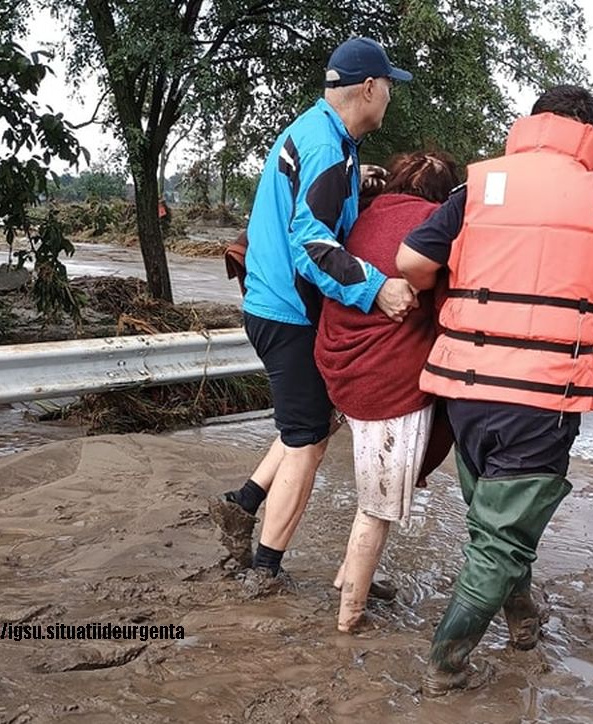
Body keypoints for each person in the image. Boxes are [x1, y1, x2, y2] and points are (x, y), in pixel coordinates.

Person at [396, 85, 593, 695]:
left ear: (533, 122)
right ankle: (445, 665)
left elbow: (410, 263)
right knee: (503, 534)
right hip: (545, 394)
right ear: (591, 133)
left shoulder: (476, 186)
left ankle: (522, 620)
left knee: (496, 521)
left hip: (467, 388)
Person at [208, 37, 417, 592]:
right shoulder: (328, 150)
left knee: (311, 420)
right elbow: (311, 244)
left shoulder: (321, 134)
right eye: (388, 87)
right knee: (307, 439)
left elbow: (314, 198)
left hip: (269, 302)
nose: (390, 98)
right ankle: (265, 569)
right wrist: (376, 290)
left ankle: (243, 501)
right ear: (369, 88)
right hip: (289, 313)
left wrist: (358, 179)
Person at [314, 152, 459, 632]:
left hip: (337, 367)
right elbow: (447, 311)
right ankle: (350, 615)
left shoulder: (363, 214)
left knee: (370, 492)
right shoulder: (434, 227)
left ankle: (350, 577)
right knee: (377, 508)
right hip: (386, 383)